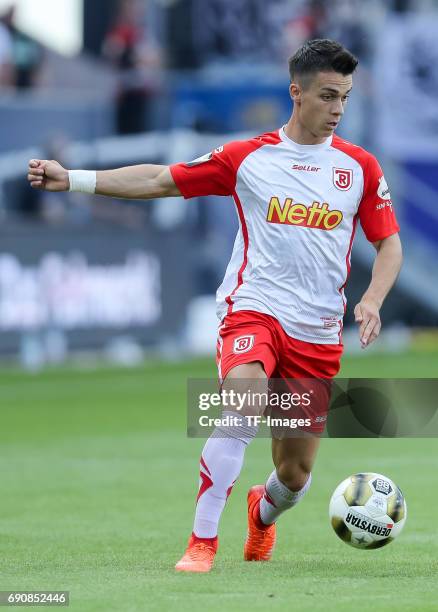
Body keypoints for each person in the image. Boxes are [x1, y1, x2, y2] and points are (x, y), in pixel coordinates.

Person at [27, 39, 402, 574]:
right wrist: (76, 179)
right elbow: (161, 179)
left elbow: (389, 244)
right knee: (242, 403)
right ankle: (202, 540)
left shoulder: (359, 168)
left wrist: (371, 299)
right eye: (327, 96)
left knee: (294, 477)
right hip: (254, 309)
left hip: (317, 331)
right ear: (296, 94)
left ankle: (261, 512)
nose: (338, 110)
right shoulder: (248, 158)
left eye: (344, 97)